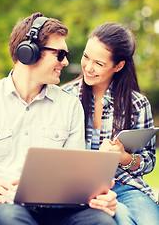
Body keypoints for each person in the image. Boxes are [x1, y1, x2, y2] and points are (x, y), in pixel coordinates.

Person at [0, 12, 119, 225]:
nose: (65, 62)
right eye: (60, 54)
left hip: (61, 207)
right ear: (29, 53)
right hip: (7, 206)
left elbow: (77, 178)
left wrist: (100, 196)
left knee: (102, 221)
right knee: (10, 219)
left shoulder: (70, 105)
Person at [62, 22, 159, 225]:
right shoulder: (66, 97)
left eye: (99, 63)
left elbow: (149, 161)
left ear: (118, 65)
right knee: (120, 219)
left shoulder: (137, 104)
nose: (88, 67)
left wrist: (123, 157)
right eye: (86, 57)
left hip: (126, 186)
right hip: (79, 187)